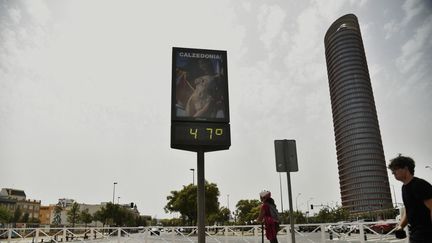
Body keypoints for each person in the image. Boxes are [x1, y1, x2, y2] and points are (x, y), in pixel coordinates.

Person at [388, 155, 432, 243]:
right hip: (415, 233)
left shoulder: (420, 185)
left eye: (395, 169)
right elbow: (409, 210)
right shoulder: (404, 188)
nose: (393, 173)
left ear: (405, 168)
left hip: (427, 234)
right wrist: (400, 227)